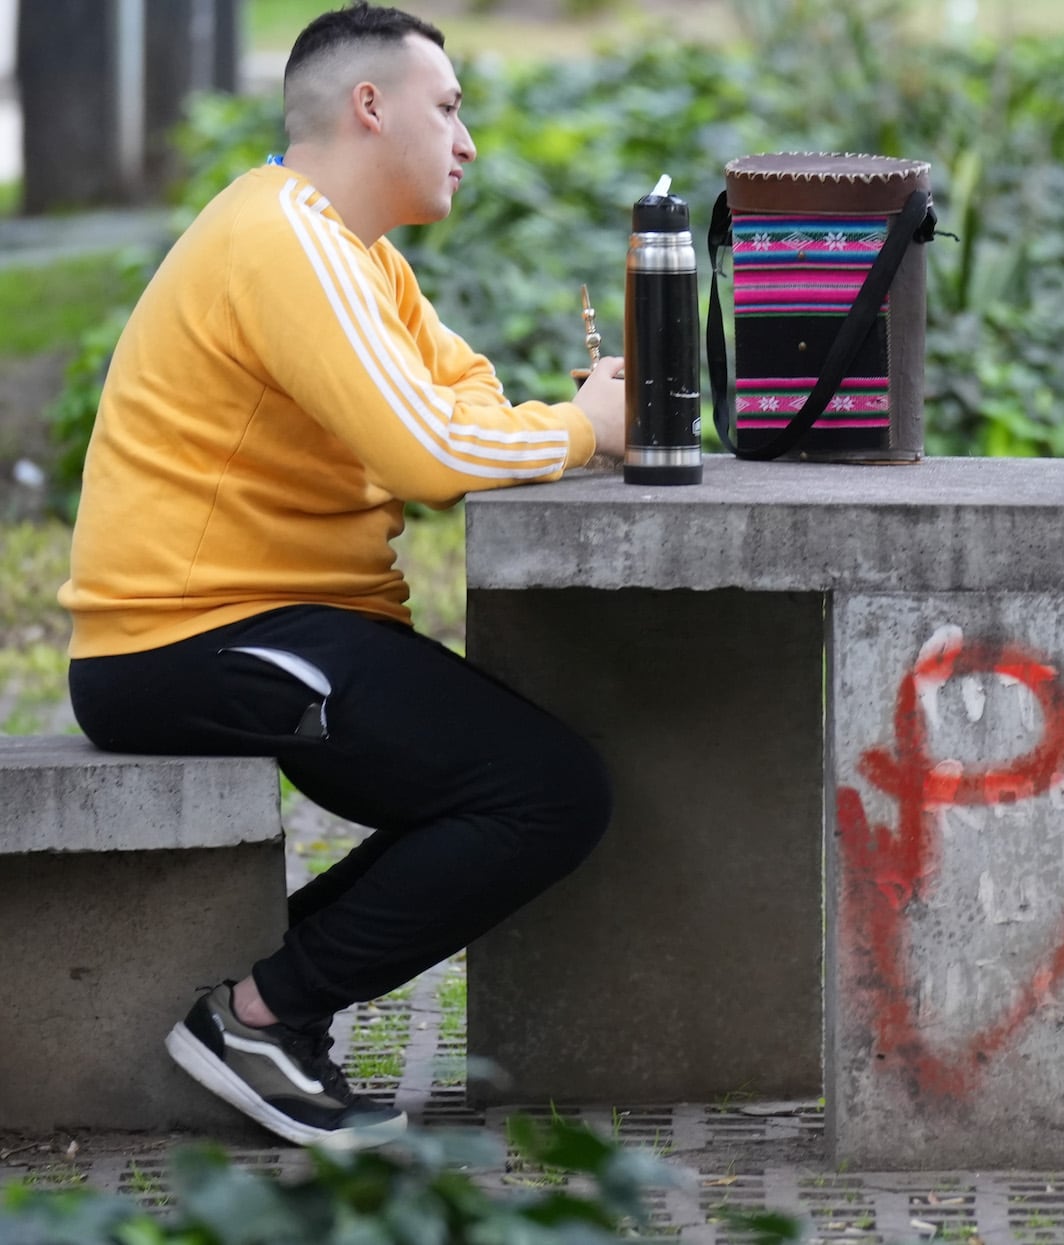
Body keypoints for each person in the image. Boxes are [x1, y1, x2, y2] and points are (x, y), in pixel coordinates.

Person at [58, 3, 629, 1150]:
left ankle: (265, 1011)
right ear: (371, 107)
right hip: (187, 641)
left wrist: (550, 420)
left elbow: (460, 394)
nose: (467, 141)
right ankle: (258, 1020)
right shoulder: (283, 240)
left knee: (529, 784)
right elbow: (434, 453)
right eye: (451, 108)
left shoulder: (356, 256)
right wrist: (586, 424)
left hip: (271, 628)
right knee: (543, 791)